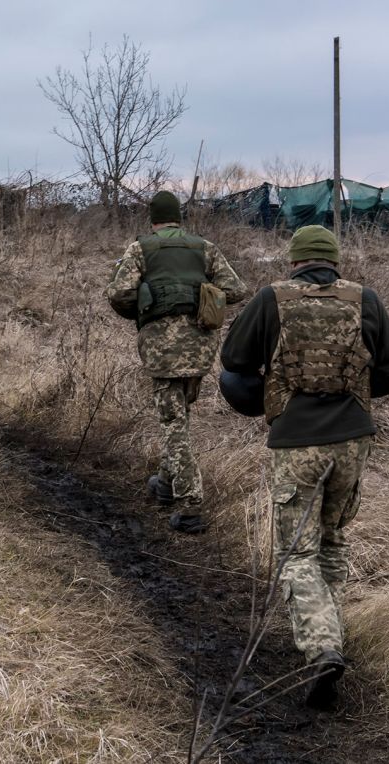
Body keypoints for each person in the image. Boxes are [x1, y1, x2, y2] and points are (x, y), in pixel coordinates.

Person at [218, 224, 389, 710]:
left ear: (295, 260)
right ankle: (331, 632)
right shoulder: (366, 299)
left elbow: (233, 360)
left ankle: (323, 648)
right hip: (353, 439)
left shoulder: (272, 298)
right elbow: (388, 375)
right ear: (335, 261)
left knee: (296, 552)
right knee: (333, 538)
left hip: (297, 440)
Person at [105, 191, 247, 534]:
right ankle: (166, 483)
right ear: (178, 217)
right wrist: (199, 300)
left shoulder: (141, 248)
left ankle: (191, 505)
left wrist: (146, 312)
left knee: (173, 421)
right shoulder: (204, 247)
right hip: (200, 346)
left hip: (161, 348)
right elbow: (236, 289)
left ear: (152, 218)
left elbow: (119, 293)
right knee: (179, 414)